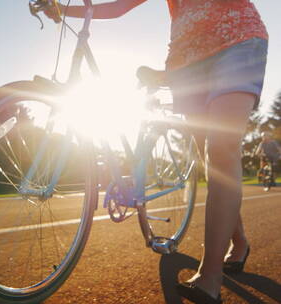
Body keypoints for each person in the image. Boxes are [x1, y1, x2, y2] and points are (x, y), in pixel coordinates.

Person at [45, 1, 268, 303]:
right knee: (212, 159)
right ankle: (238, 240)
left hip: (237, 38)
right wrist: (62, 9)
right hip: (186, 59)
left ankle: (210, 275)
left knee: (222, 147)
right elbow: (121, 6)